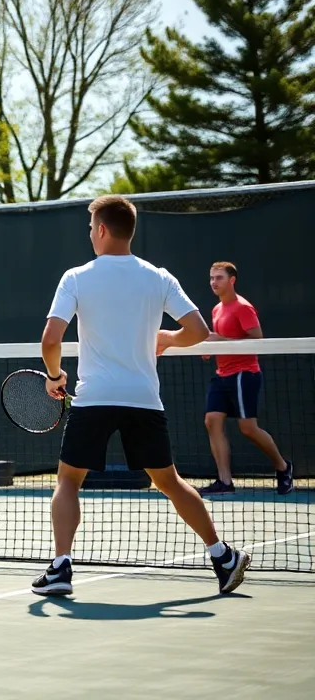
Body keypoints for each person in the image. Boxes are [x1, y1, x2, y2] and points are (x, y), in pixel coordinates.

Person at [33, 195, 249, 597]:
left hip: (95, 398)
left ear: (100, 230)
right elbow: (199, 332)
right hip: (143, 400)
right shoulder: (159, 277)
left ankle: (61, 568)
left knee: (67, 481)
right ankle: (222, 556)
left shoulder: (76, 277)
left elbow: (50, 340)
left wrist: (55, 375)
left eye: (90, 228)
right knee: (169, 482)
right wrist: (167, 338)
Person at [199, 261, 294, 496]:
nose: (213, 282)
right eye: (211, 278)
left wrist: (219, 341)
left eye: (219, 278)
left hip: (244, 374)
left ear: (232, 280)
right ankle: (224, 482)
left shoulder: (243, 307)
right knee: (212, 421)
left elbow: (256, 340)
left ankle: (283, 467)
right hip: (222, 375)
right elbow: (221, 339)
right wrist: (211, 347)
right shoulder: (216, 309)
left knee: (248, 428)